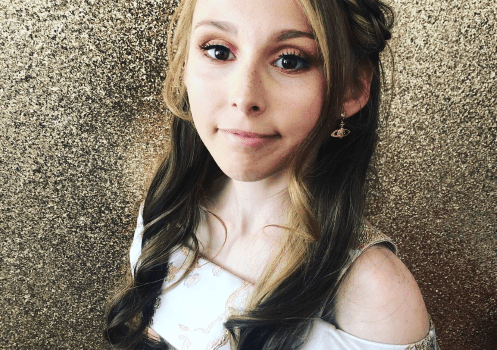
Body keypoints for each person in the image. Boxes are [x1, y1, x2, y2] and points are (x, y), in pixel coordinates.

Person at [104, 0, 440, 348]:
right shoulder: (166, 211)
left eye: (289, 60)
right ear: (185, 63)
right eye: (218, 51)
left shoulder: (374, 291)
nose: (244, 96)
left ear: (352, 89)